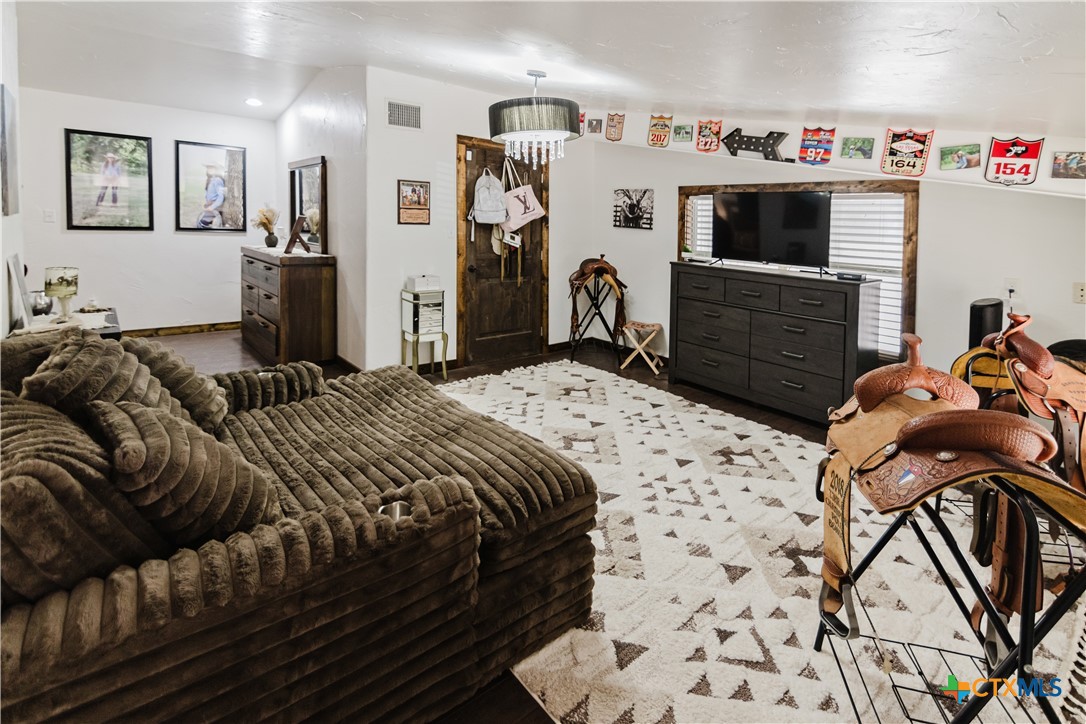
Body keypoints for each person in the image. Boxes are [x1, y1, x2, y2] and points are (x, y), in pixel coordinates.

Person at [197, 163, 226, 228]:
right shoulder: (210, 179)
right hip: (209, 207)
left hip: (214, 208)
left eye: (211, 168)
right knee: (203, 225)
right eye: (208, 168)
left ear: (216, 170)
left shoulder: (217, 180)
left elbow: (221, 197)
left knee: (202, 225)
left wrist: (212, 207)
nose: (208, 170)